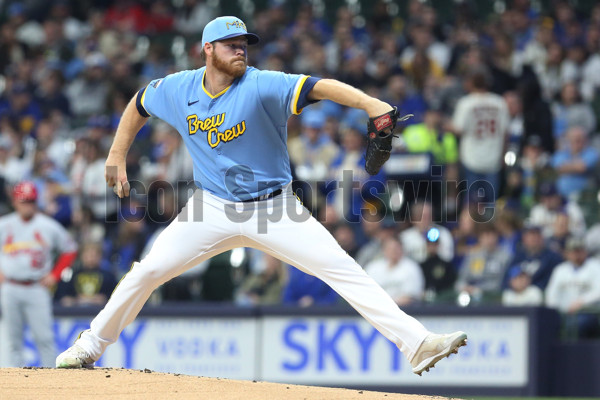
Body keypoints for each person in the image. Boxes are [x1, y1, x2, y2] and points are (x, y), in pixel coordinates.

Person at [56, 16, 466, 375]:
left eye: (245, 44)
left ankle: (416, 344)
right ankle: (91, 344)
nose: (241, 51)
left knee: (343, 269)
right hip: (211, 208)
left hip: (274, 208)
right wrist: (116, 153)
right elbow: (139, 103)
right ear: (208, 50)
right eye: (232, 45)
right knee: (147, 271)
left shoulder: (261, 84)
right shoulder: (179, 88)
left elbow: (320, 86)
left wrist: (371, 103)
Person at [0, 181, 77, 367]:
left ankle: (50, 386)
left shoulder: (48, 226)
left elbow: (70, 249)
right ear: (15, 202)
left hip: (36, 287)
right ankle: (15, 389)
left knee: (44, 338)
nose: (28, 205)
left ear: (36, 201)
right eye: (24, 200)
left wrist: (55, 275)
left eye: (31, 201)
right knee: (13, 341)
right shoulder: (4, 224)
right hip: (10, 286)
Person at [545, 237, 600, 338]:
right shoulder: (560, 270)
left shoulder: (595, 266)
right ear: (567, 253)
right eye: (573, 251)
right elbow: (551, 294)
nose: (576, 255)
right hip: (563, 313)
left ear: (585, 252)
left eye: (579, 251)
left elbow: (598, 292)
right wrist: (556, 309)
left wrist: (581, 302)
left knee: (579, 324)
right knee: (547, 323)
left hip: (588, 312)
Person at [365, 237, 425, 306]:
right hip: (375, 309)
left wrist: (386, 304)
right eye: (389, 248)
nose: (393, 251)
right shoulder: (373, 267)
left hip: (403, 310)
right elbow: (366, 292)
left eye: (396, 248)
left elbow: (409, 297)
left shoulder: (411, 267)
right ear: (383, 250)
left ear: (402, 249)